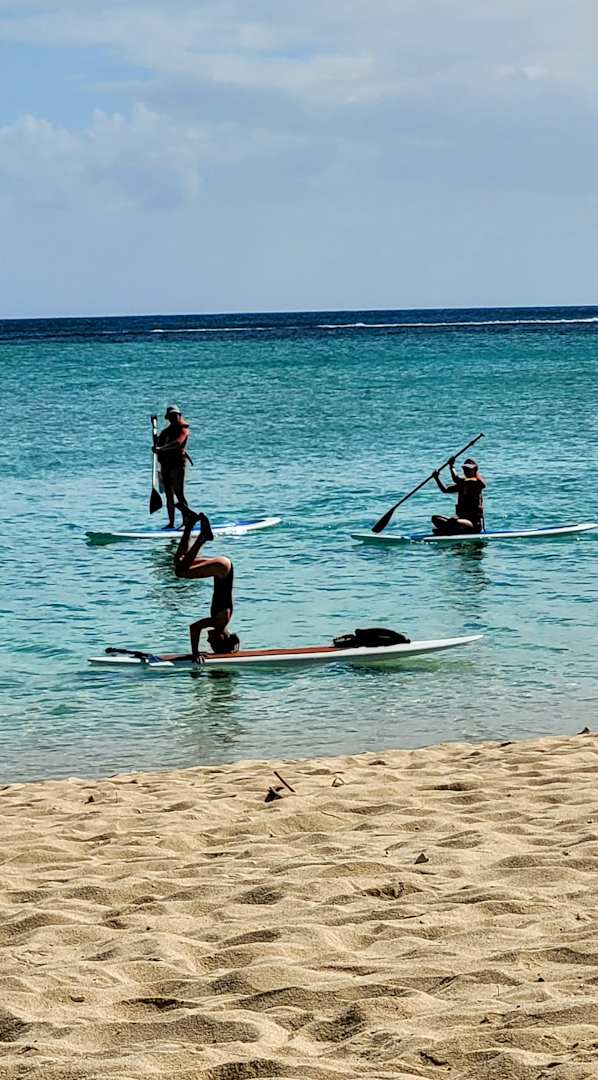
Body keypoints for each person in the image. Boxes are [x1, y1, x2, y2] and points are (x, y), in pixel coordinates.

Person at [174, 510, 240, 660]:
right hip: (221, 570)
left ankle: (190, 523)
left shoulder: (222, 622)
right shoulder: (219, 622)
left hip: (223, 567)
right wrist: (195, 653)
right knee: (181, 572)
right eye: (212, 643)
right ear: (221, 637)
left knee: (179, 562)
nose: (208, 641)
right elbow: (194, 627)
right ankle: (203, 537)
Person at [155, 405, 191, 528]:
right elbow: (158, 445)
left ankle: (186, 521)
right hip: (165, 465)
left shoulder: (183, 429)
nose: (173, 418)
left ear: (179, 415)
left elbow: (178, 443)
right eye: (170, 416)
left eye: (175, 415)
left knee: (179, 494)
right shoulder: (165, 432)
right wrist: (156, 446)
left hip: (177, 465)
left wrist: (161, 448)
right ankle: (171, 523)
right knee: (169, 495)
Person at [431, 457, 486, 535]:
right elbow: (445, 490)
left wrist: (451, 466)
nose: (467, 471)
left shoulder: (477, 482)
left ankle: (447, 531)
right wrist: (436, 478)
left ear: (475, 470)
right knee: (435, 518)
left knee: (453, 521)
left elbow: (456, 479)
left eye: (469, 470)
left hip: (473, 524)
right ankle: (449, 530)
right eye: (465, 469)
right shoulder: (462, 484)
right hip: (462, 521)